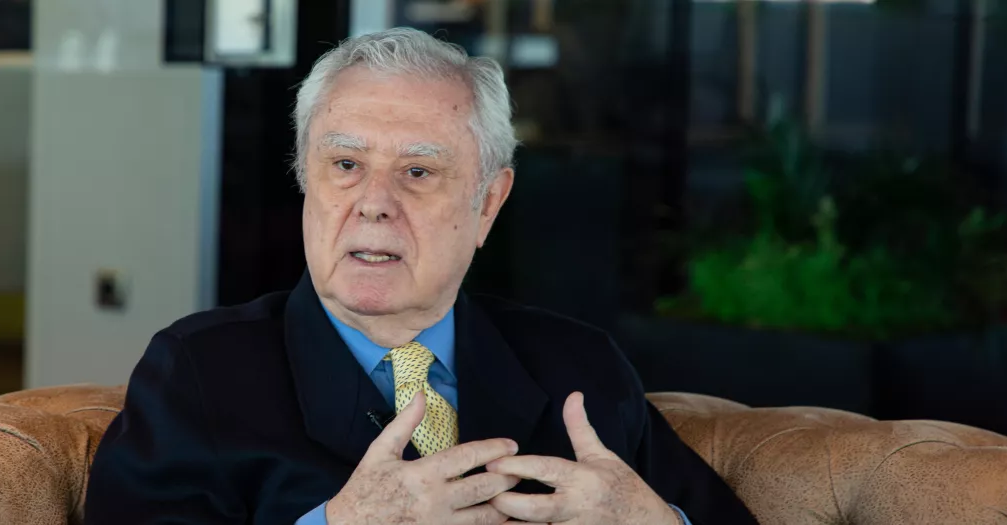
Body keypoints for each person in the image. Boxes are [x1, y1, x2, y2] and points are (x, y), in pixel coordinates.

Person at [84, 27, 757, 525]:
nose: (373, 202)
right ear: (305, 180)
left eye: (417, 171)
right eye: (345, 165)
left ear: (488, 203)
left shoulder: (577, 366)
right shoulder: (197, 370)